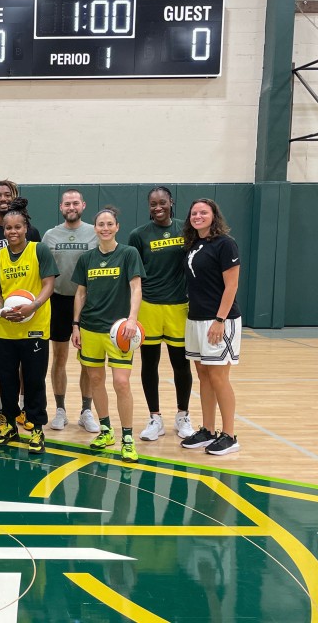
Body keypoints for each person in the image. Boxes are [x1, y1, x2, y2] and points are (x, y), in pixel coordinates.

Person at [70, 207, 146, 463]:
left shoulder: (128, 254)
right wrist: (75, 325)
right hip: (90, 327)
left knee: (121, 383)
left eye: (109, 224)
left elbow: (136, 288)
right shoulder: (86, 259)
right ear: (95, 228)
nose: (104, 228)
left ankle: (127, 438)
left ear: (117, 227)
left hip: (119, 331)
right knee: (95, 379)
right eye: (100, 224)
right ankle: (105, 430)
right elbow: (81, 293)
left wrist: (133, 319)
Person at [0, 198, 57, 454]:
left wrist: (34, 306)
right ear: (3, 230)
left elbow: (49, 284)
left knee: (34, 380)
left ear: (25, 228)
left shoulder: (39, 250)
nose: (13, 232)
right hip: (7, 329)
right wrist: (1, 310)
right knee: (6, 380)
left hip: (36, 327)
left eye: (17, 227)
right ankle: (9, 426)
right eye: (8, 228)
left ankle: (37, 429)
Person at [128, 187, 195, 441]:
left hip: (179, 306)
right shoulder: (138, 235)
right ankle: (155, 418)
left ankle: (183, 416)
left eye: (162, 202)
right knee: (149, 364)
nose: (158, 207)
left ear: (171, 202)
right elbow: (134, 275)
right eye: (153, 204)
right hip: (150, 306)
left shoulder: (185, 229)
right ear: (149, 206)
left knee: (181, 364)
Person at [0, 179, 41, 431]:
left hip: (29, 310)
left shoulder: (31, 232)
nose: (2, 198)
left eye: (7, 194)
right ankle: (2, 408)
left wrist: (34, 306)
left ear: (14, 196)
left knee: (26, 362)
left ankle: (23, 407)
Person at [180, 199, 242, 455]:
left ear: (214, 215)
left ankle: (229, 435)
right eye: (194, 213)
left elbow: (232, 286)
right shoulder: (195, 244)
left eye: (203, 212)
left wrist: (219, 320)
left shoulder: (225, 244)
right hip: (195, 318)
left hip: (219, 320)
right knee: (203, 376)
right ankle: (207, 429)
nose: (198, 216)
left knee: (218, 377)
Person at [42, 189, 100, 435]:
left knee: (88, 360)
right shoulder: (50, 235)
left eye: (75, 202)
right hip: (58, 302)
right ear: (61, 207)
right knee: (60, 358)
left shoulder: (94, 233)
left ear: (83, 205)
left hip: (88, 303)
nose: (71, 206)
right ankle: (60, 410)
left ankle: (87, 410)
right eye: (67, 203)